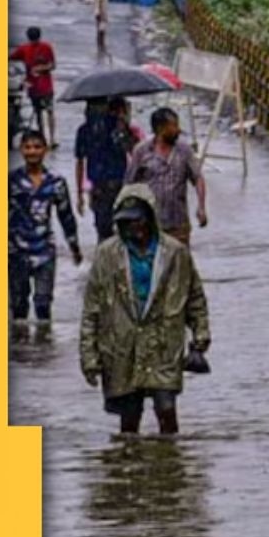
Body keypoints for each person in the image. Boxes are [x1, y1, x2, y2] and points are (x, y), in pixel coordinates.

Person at [80, 183, 210, 435]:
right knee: (129, 419)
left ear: (150, 217)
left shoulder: (175, 253)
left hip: (163, 343)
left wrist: (200, 335)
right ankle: (130, 468)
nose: (133, 228)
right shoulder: (107, 255)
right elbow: (91, 309)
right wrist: (89, 357)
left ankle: (171, 467)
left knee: (166, 410)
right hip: (121, 345)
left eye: (137, 220)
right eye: (126, 222)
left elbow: (195, 297)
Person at [9, 130, 82, 322]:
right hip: (16, 250)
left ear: (45, 150)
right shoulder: (11, 181)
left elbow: (65, 215)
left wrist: (74, 247)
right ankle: (23, 350)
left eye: (37, 147)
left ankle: (44, 343)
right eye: (28, 147)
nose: (32, 152)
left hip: (45, 250)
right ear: (21, 150)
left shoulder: (56, 182)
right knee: (18, 306)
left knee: (43, 304)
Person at [125, 108, 207, 247]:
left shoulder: (184, 151)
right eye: (174, 126)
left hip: (178, 224)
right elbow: (129, 185)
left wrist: (201, 207)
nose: (178, 130)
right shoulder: (142, 151)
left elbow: (198, 178)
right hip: (149, 224)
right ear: (161, 128)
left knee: (178, 265)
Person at [75, 96, 139, 243]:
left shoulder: (86, 130)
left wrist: (80, 194)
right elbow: (134, 152)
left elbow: (80, 163)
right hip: (111, 185)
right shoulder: (114, 127)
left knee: (105, 231)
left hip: (106, 186)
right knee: (118, 229)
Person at [9, 26, 57, 147]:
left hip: (45, 87)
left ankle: (52, 138)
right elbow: (10, 57)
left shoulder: (46, 47)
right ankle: (45, 138)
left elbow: (52, 65)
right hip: (34, 87)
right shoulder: (24, 49)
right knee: (39, 113)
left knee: (48, 111)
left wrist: (41, 68)